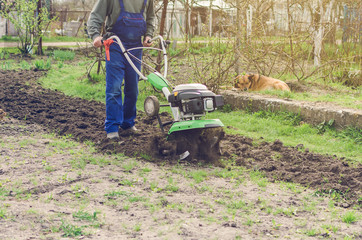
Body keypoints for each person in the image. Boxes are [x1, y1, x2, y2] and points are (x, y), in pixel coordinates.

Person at [87, 0, 155, 139]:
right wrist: (95, 36)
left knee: (133, 88)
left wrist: (149, 35)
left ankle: (127, 123)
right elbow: (95, 16)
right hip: (115, 44)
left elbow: (151, 17)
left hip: (135, 46)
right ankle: (112, 127)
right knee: (114, 87)